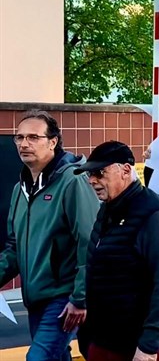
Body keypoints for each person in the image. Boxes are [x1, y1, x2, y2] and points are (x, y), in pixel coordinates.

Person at [0, 110, 99, 360]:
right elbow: (15, 248)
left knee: (38, 358)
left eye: (34, 137)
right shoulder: (19, 189)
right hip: (35, 298)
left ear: (53, 142)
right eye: (19, 137)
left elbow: (90, 241)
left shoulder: (73, 182)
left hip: (63, 297)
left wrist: (80, 297)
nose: (24, 143)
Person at [79, 141, 159, 360]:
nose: (92, 180)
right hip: (107, 337)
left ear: (126, 170)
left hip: (145, 342)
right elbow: (94, 266)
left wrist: (150, 345)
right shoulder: (107, 209)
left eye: (100, 172)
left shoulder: (153, 214)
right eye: (89, 174)